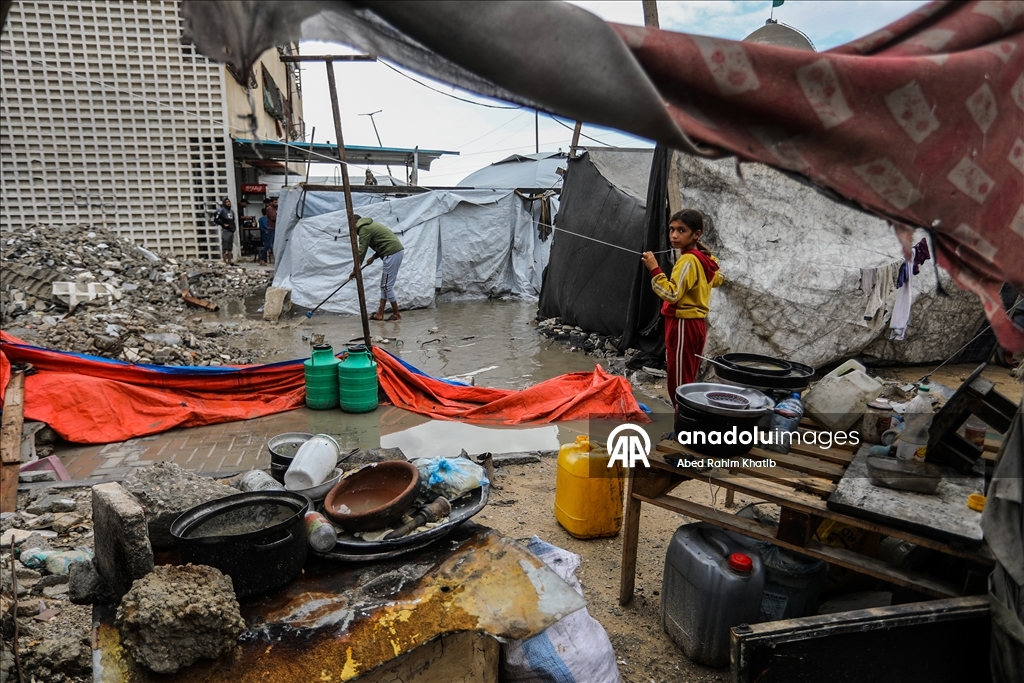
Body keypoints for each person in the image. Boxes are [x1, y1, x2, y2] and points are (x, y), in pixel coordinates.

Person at [641, 209, 723, 407]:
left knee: (679, 381)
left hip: (683, 324)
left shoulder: (688, 260)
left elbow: (672, 294)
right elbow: (718, 278)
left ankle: (681, 429)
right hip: (696, 325)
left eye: (681, 230)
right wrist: (707, 257)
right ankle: (685, 423)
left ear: (696, 234)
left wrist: (655, 269)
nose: (674, 235)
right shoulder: (704, 260)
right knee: (688, 374)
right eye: (671, 230)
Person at [348, 214, 405, 321]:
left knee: (387, 286)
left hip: (392, 253)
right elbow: (383, 242)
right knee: (384, 286)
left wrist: (355, 270)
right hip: (393, 252)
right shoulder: (369, 225)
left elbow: (361, 251)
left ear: (354, 223)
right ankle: (380, 314)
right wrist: (374, 257)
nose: (352, 230)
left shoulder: (364, 229)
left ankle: (397, 314)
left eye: (351, 227)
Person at [214, 197, 236, 265]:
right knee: (225, 246)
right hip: (226, 231)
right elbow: (216, 219)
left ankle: (230, 260)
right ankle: (224, 261)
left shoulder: (231, 211)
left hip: (231, 230)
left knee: (230, 246)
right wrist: (223, 224)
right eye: (226, 202)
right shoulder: (221, 210)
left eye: (229, 202)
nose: (228, 203)